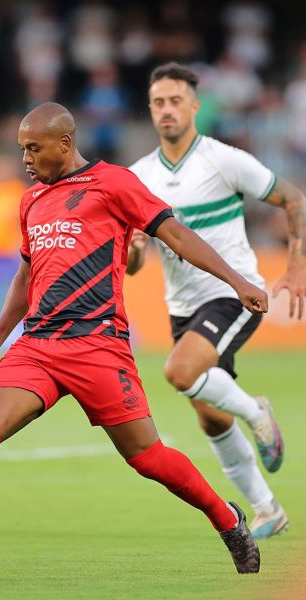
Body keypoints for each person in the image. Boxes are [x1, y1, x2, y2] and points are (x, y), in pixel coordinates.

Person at [0, 102, 264, 574]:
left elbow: (178, 236)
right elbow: (26, 278)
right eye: (21, 149)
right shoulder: (31, 202)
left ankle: (227, 519)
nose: (25, 158)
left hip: (98, 344)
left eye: (33, 148)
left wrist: (238, 282)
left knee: (148, 458)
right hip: (39, 345)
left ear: (64, 143)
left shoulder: (114, 183)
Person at [128, 62, 306, 539]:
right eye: (159, 103)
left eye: (176, 101)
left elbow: (294, 199)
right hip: (181, 305)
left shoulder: (224, 160)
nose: (167, 110)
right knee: (209, 415)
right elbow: (133, 264)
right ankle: (267, 508)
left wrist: (295, 267)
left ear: (194, 107)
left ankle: (257, 411)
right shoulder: (138, 176)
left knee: (180, 372)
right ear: (150, 110)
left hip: (234, 292)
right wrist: (134, 250)